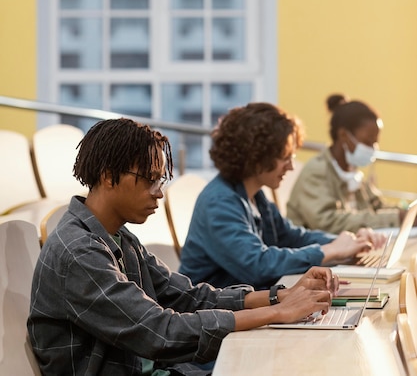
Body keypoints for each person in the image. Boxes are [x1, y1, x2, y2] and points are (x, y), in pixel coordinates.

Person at [27, 117, 338, 376]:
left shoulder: (119, 237)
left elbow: (190, 297)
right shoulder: (79, 252)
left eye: (160, 181)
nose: (158, 194)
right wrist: (278, 313)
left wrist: (280, 296)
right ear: (109, 177)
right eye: (150, 180)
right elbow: (162, 332)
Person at [179, 102, 381, 291]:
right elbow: (258, 265)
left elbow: (292, 237)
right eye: (285, 158)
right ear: (257, 157)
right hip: (212, 319)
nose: (291, 166)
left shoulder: (255, 197)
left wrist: (347, 242)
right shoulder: (219, 202)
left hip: (242, 307)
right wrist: (329, 251)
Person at [286, 93, 409, 233]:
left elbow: (377, 207)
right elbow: (328, 222)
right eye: (367, 142)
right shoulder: (316, 171)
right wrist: (397, 218)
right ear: (343, 135)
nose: (372, 148)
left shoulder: (353, 173)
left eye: (375, 143)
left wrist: (408, 214)